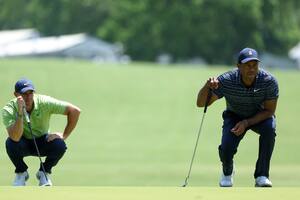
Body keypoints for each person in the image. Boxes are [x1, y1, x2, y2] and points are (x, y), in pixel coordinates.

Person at [197, 47, 279, 187]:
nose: (252, 69)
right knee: (227, 148)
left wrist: (246, 123)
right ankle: (228, 171)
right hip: (234, 116)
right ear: (238, 66)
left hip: (259, 116)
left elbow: (270, 111)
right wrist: (207, 86)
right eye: (247, 65)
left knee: (269, 129)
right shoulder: (227, 80)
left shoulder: (268, 81)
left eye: (255, 65)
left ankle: (262, 175)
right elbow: (201, 103)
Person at [2, 78, 81, 186]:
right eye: (24, 94)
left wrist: (64, 135)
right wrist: (20, 113)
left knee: (60, 145)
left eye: (31, 93)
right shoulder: (9, 109)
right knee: (10, 143)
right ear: (16, 95)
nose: (28, 97)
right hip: (22, 142)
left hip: (42, 141)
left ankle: (44, 172)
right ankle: (21, 172)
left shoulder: (44, 102)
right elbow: (15, 137)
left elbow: (75, 111)